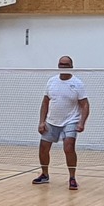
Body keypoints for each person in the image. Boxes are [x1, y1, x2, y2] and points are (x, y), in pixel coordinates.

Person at [35, 55, 89, 190]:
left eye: (66, 65)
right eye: (61, 64)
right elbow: (45, 102)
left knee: (69, 148)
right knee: (43, 148)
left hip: (71, 120)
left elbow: (85, 104)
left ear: (71, 67)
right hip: (52, 121)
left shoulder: (77, 84)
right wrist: (42, 122)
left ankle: (72, 177)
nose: (63, 67)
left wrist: (81, 122)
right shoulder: (51, 81)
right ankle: (44, 174)